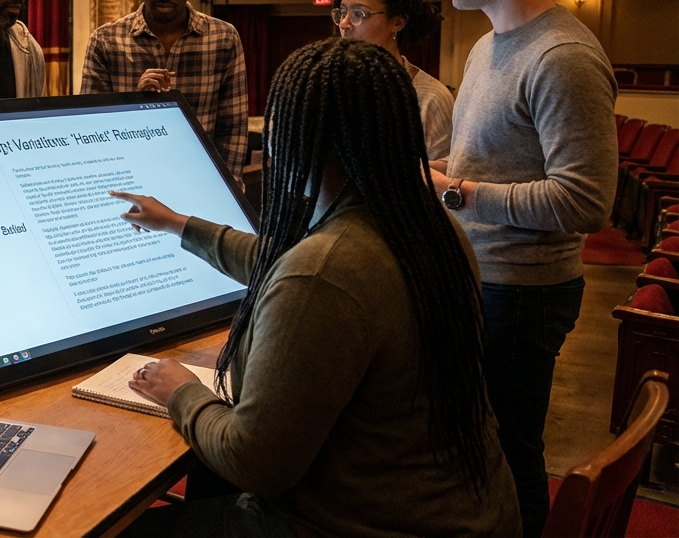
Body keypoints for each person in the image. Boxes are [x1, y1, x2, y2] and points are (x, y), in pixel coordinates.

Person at [114, 38, 520, 537]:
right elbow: (284, 261)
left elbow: (254, 464)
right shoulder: (429, 228)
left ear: (294, 139)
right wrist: (179, 224)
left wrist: (182, 392)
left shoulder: (322, 273)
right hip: (467, 514)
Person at [429, 0, 617, 538]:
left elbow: (585, 201)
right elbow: (486, 165)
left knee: (509, 454)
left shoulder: (561, 55)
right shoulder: (486, 44)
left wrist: (453, 190)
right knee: (473, 447)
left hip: (522, 292)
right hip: (482, 278)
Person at [81, 0, 249, 179]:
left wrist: (226, 193)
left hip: (199, 183)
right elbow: (91, 131)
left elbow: (232, 130)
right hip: (129, 181)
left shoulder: (223, 38)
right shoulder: (106, 41)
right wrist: (135, 103)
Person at [333, 0, 453, 159]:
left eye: (358, 14)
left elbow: (444, 175)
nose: (344, 24)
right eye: (343, 12)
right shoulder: (329, 87)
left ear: (397, 23)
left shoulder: (430, 98)